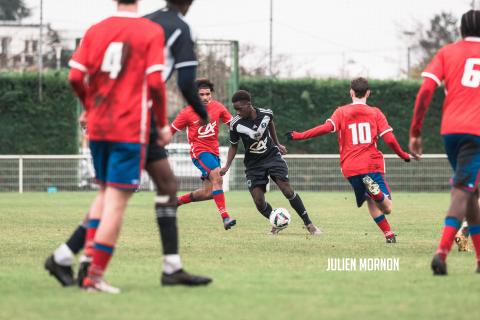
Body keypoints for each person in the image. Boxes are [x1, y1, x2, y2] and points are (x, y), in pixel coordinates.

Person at [44, 0, 212, 288]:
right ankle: (90, 268)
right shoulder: (174, 29)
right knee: (117, 197)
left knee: (163, 185)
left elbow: (81, 74)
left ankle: (168, 266)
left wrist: (90, 105)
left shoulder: (133, 23)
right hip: (136, 116)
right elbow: (180, 83)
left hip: (107, 113)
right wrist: (201, 113)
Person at [66, 0, 168, 293]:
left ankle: (87, 257)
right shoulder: (150, 31)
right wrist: (161, 123)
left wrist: (88, 105)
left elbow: (75, 76)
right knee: (117, 202)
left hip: (98, 126)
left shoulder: (96, 30)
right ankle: (94, 276)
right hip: (129, 127)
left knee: (104, 193)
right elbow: (156, 83)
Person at [287, 77, 412, 243]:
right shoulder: (375, 112)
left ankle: (388, 234)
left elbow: (325, 128)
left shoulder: (341, 112)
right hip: (371, 164)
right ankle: (378, 193)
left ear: (351, 92)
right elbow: (389, 139)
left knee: (370, 200)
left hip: (350, 168)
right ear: (368, 93)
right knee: (387, 207)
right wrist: (403, 155)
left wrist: (299, 135)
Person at [409, 10, 480, 275]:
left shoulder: (447, 52)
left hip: (451, 133)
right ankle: (442, 253)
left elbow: (426, 90)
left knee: (470, 192)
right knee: (463, 190)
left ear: (461, 30)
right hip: (477, 134)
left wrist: (416, 132)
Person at [220, 90, 321, 235]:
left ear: (249, 105)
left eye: (239, 109)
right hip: (253, 164)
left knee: (287, 190)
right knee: (259, 201)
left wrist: (277, 144)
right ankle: (277, 221)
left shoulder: (266, 114)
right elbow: (234, 146)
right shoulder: (235, 124)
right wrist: (226, 166)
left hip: (272, 157)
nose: (237, 112)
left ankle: (309, 224)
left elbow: (270, 123)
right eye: (235, 109)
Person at [172, 79, 236, 230]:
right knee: (217, 177)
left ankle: (176, 202)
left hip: (214, 152)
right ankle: (226, 218)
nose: (205, 97)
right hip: (199, 152)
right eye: (201, 94)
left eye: (208, 94)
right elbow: (171, 130)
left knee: (210, 192)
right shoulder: (187, 112)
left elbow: (234, 125)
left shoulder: (218, 107)